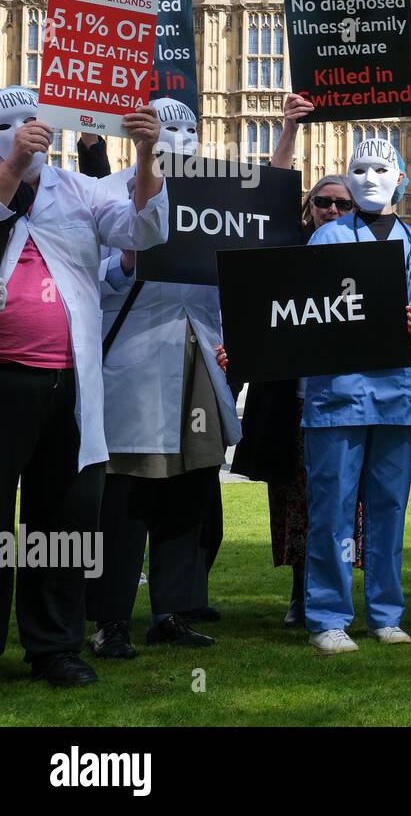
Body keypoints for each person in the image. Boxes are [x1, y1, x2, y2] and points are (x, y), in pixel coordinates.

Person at [0, 88, 167, 686]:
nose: (23, 130)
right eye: (7, 124)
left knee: (63, 520)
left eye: (30, 120)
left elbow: (143, 230)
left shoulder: (77, 188)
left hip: (69, 381)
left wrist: (146, 154)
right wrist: (13, 165)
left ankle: (54, 645)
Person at [87, 99, 242, 659]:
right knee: (124, 498)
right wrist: (125, 263)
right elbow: (92, 280)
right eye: (166, 127)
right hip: (131, 360)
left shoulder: (221, 198)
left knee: (189, 490)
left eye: (189, 129)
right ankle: (110, 619)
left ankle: (172, 611)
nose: (180, 138)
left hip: (195, 357)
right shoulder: (106, 193)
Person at [299, 136, 411, 654]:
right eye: (358, 168)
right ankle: (328, 616)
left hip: (395, 392)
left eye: (381, 167)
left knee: (388, 507)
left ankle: (385, 612)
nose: (368, 177)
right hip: (337, 393)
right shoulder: (327, 239)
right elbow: (304, 312)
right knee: (332, 509)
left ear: (401, 178)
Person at [229, 142, 364, 627]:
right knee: (297, 501)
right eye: (322, 201)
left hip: (350, 403)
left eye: (342, 203)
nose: (331, 209)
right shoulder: (284, 251)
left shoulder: (369, 256)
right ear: (306, 209)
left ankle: (333, 593)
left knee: (343, 502)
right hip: (294, 404)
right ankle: (301, 591)